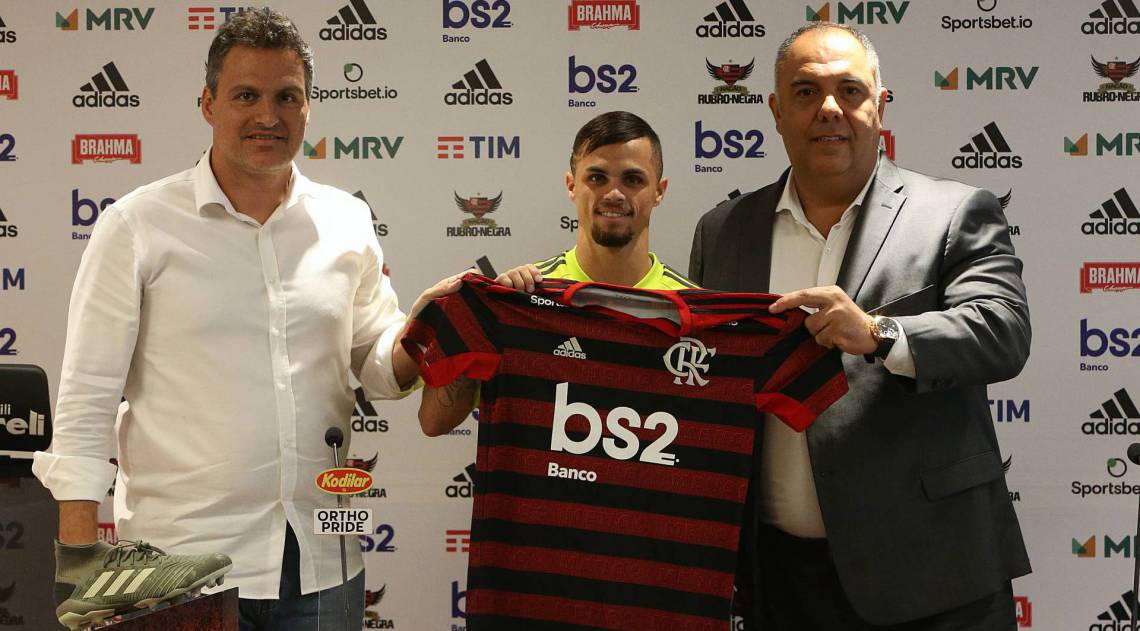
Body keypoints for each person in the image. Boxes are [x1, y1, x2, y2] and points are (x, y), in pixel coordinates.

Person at [32, 9, 456, 631]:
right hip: (176, 568)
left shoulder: (346, 220)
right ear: (208, 104)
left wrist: (429, 324)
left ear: (308, 108)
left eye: (287, 97)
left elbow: (377, 366)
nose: (268, 116)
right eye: (246, 96)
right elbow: (87, 397)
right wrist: (78, 560)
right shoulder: (137, 226)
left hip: (322, 560)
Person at [688, 22, 1031, 630]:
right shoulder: (723, 230)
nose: (829, 109)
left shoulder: (954, 212)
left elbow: (1001, 330)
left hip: (933, 574)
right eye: (805, 92)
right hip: (777, 580)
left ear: (881, 105)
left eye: (849, 90)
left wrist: (880, 333)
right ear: (775, 110)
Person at [418, 110, 695, 436]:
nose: (614, 194)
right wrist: (485, 322)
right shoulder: (521, 299)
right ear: (571, 185)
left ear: (659, 191)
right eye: (597, 178)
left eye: (632, 180)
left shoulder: (694, 312)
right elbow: (433, 422)